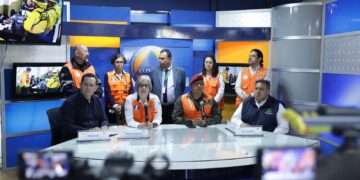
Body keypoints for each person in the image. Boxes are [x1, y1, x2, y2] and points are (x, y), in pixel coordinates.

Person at [60, 73, 109, 142]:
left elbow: (104, 119)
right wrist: (88, 131)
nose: (88, 88)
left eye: (91, 85)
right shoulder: (70, 103)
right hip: (75, 140)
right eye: (85, 84)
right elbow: (68, 127)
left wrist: (104, 126)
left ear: (95, 88)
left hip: (95, 138)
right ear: (80, 85)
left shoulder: (97, 101)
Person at [150, 49, 186, 124]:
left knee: (174, 131)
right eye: (159, 58)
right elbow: (151, 89)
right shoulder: (154, 71)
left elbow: (182, 88)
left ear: (169, 59)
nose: (160, 60)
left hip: (174, 107)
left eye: (162, 59)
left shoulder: (180, 71)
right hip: (158, 107)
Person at [104, 53, 132, 124]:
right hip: (112, 108)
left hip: (126, 108)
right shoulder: (108, 75)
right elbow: (107, 92)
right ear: (113, 63)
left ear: (124, 63)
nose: (119, 64)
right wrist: (115, 105)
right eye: (117, 62)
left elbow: (131, 93)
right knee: (113, 130)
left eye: (121, 62)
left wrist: (124, 106)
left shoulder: (128, 76)